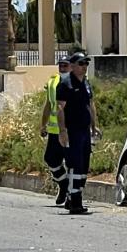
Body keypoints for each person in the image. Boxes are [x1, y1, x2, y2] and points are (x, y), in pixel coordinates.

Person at [55, 52, 101, 214]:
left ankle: (71, 196)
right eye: (81, 63)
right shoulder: (66, 83)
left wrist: (94, 126)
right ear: (73, 66)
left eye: (86, 63)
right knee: (75, 165)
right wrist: (62, 132)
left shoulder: (86, 83)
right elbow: (60, 108)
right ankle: (75, 202)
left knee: (84, 166)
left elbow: (90, 104)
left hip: (85, 131)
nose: (84, 67)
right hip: (72, 131)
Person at [40, 58, 72, 204]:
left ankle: (72, 194)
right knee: (50, 159)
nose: (62, 68)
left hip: (70, 131)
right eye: (60, 65)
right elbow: (48, 105)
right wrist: (42, 125)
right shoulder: (53, 82)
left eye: (65, 65)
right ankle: (63, 184)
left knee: (72, 162)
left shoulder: (76, 83)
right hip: (54, 131)